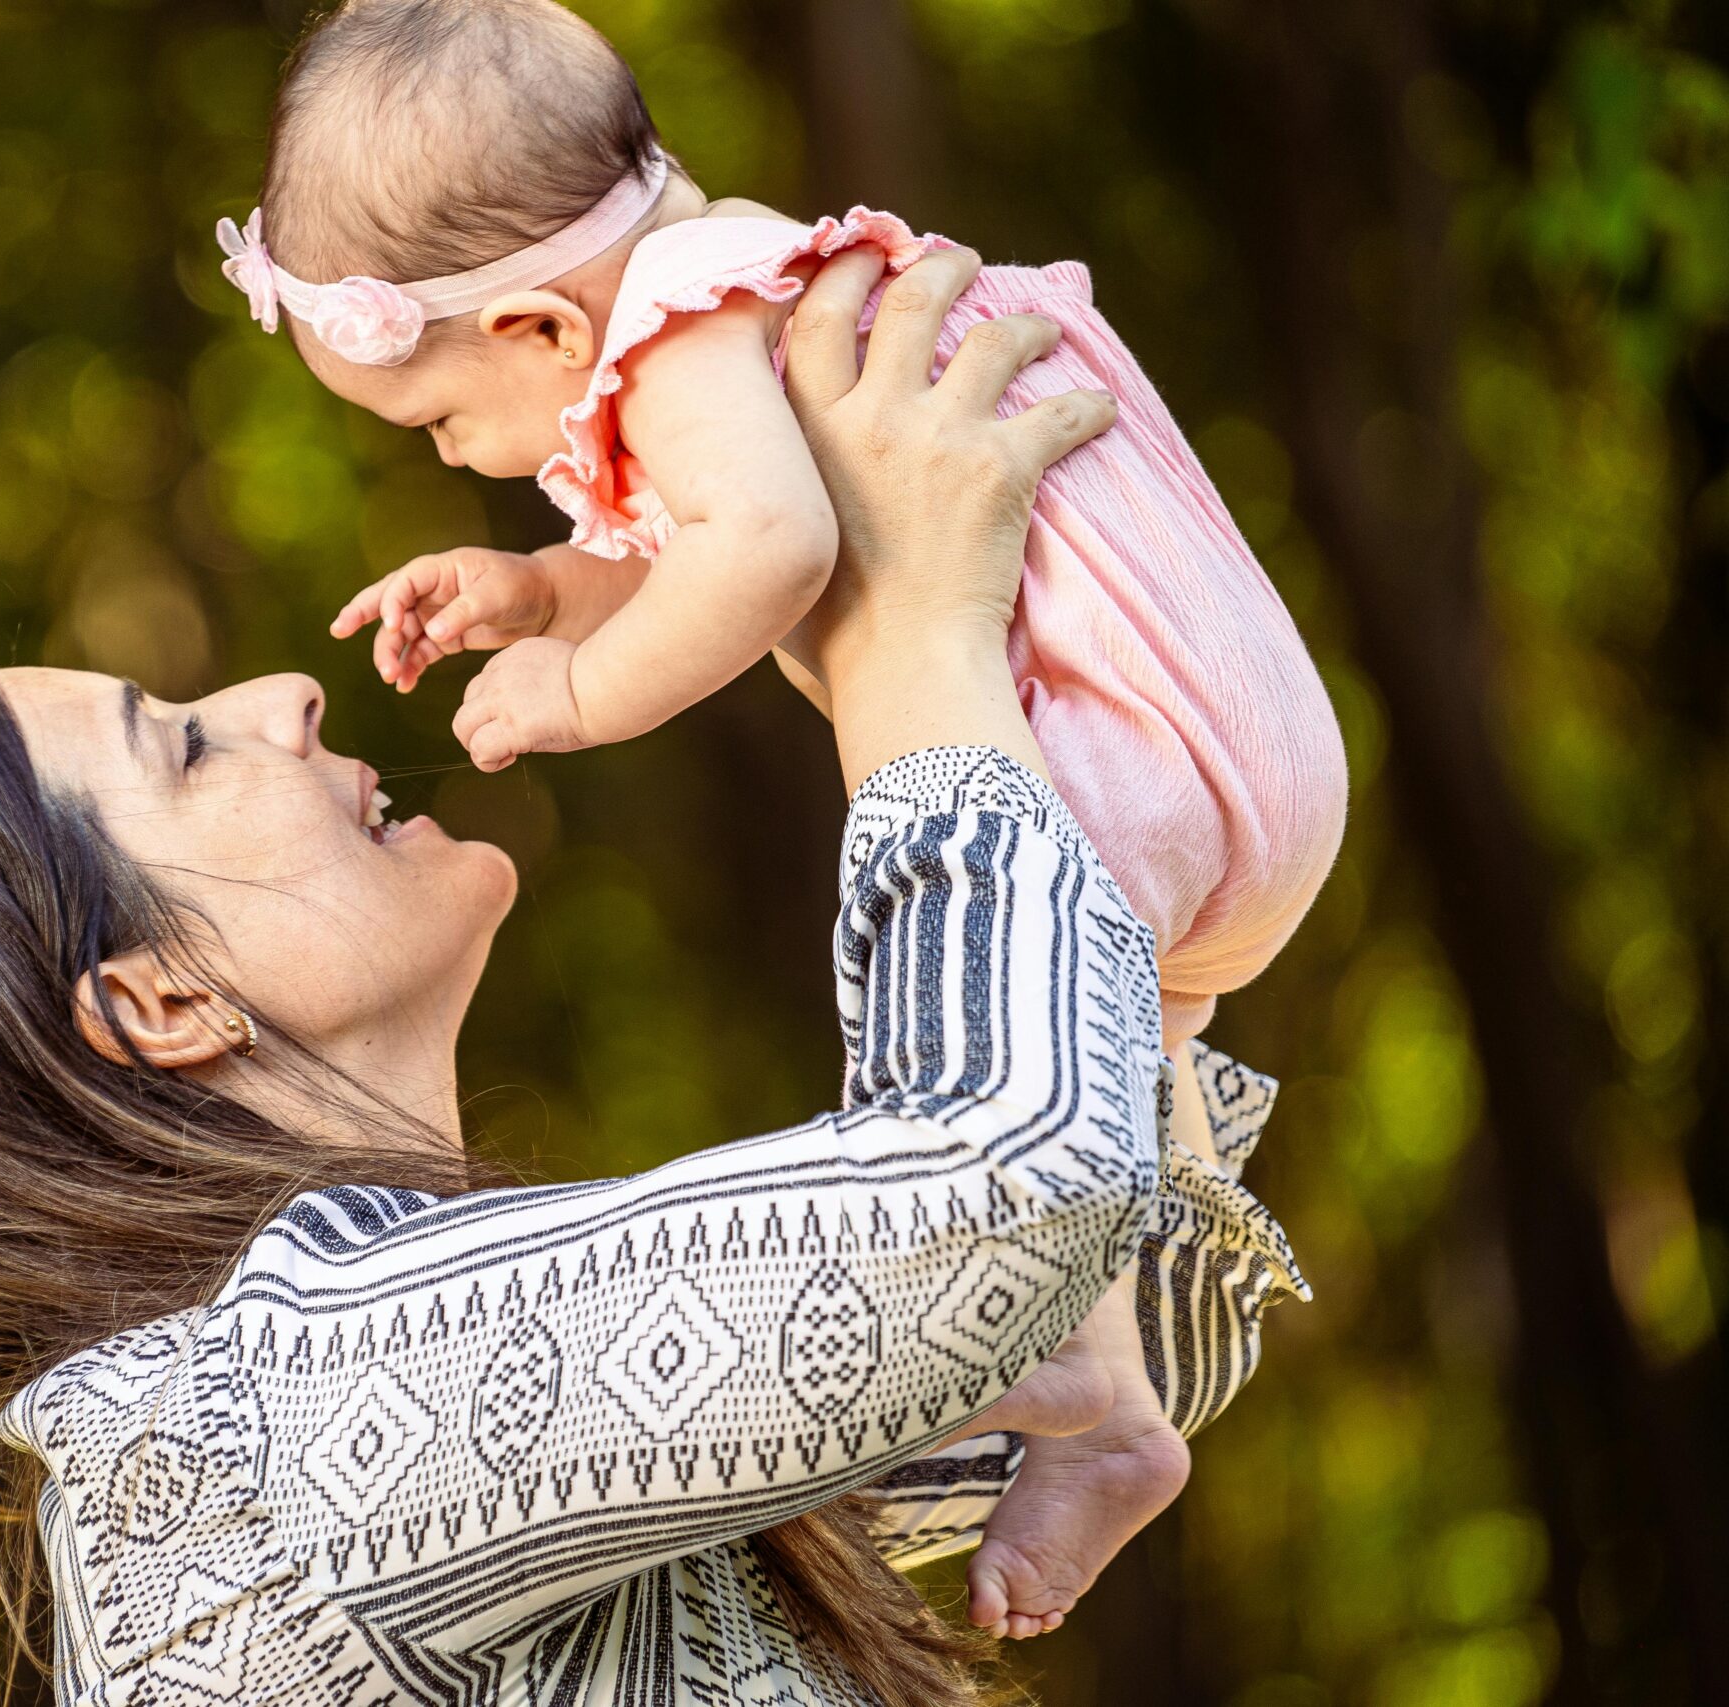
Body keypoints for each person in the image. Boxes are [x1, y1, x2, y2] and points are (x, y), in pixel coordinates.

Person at [0, 245, 1303, 1707]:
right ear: (159, 1001)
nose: (279, 695)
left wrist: (1034, 720)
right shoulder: (259, 1441)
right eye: (181, 747)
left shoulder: (384, 1411)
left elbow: (1050, 1326)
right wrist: (912, 647)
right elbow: (1008, 1189)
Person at [213, 0, 1343, 1630]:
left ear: (538, 325)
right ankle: (1110, 1401)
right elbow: (691, 522)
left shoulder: (674, 334)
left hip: (1132, 751)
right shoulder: (732, 284)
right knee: (1109, 1051)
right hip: (1219, 753)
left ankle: (1032, 1353)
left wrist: (580, 696)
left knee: (956, 974)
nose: (462, 453)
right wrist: (537, 588)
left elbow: (769, 552)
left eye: (442, 425)